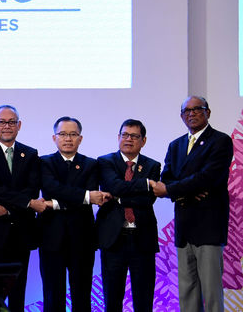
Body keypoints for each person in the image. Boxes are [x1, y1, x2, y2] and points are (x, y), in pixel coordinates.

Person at [154, 96, 232, 312]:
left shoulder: (220, 141)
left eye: (197, 109)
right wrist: (186, 192)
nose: (191, 113)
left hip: (209, 226)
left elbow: (208, 178)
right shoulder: (176, 145)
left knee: (211, 291)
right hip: (185, 224)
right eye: (186, 111)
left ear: (208, 112)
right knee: (187, 289)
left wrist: (173, 190)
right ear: (181, 116)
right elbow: (166, 178)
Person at [0, 104, 44, 312]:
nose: (7, 126)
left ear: (19, 125)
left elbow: (32, 189)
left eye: (11, 122)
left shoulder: (30, 154)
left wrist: (10, 210)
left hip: (22, 232)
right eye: (2, 122)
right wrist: (27, 203)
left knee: (18, 293)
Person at [37, 117, 108, 312]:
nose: (68, 138)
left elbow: (92, 196)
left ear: (80, 138)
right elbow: (52, 187)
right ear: (54, 137)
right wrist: (84, 196)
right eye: (63, 134)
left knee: (82, 294)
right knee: (52, 295)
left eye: (73, 134)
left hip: (82, 238)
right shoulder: (44, 162)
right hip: (51, 238)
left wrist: (54, 204)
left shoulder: (91, 164)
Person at [96, 119, 160, 312]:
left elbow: (147, 201)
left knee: (144, 297)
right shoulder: (105, 161)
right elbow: (114, 186)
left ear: (144, 140)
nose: (129, 139)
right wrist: (145, 184)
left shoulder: (152, 165)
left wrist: (119, 199)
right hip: (114, 239)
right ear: (118, 138)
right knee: (112, 297)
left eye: (134, 136)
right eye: (125, 135)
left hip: (143, 240)